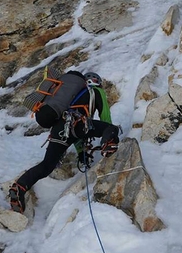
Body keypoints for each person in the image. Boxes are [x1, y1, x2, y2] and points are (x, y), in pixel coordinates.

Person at [9, 70, 120, 213]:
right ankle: (108, 145)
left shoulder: (68, 99)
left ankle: (20, 186)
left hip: (59, 128)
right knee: (111, 129)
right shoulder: (96, 91)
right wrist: (107, 134)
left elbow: (72, 133)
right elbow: (105, 116)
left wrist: (81, 153)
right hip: (79, 124)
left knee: (46, 165)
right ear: (97, 82)